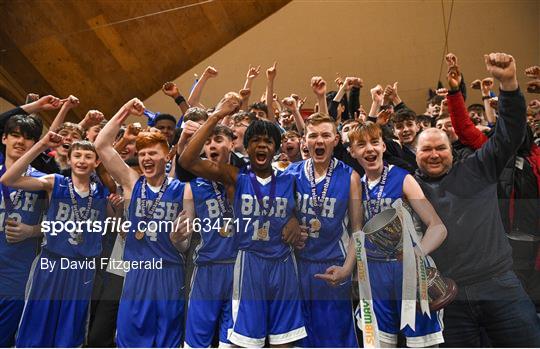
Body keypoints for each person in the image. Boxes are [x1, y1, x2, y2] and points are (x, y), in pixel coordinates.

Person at [415, 52, 540, 346]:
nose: (434, 154)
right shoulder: (409, 188)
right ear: (415, 154)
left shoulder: (478, 167)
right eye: (426, 150)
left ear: (452, 148)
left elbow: (509, 133)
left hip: (499, 285)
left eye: (440, 148)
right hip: (447, 296)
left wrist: (508, 83)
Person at [180, 94, 306, 347]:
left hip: (283, 264)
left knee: (286, 339)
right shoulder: (235, 178)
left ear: (277, 148)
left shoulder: (291, 178)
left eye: (269, 142)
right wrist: (216, 115)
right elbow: (187, 161)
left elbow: (306, 208)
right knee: (246, 341)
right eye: (256, 141)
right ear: (246, 148)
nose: (262, 146)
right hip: (249, 263)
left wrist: (294, 217)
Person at [317, 121, 447, 347]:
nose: (369, 149)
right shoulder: (355, 184)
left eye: (375, 142)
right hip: (373, 276)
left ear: (384, 147)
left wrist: (417, 253)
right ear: (352, 152)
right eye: (361, 144)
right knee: (377, 343)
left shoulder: (403, 178)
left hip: (411, 273)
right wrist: (346, 270)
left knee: (422, 344)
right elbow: (357, 233)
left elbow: (437, 226)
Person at [94, 98, 194, 347]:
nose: (146, 158)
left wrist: (178, 239)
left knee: (166, 340)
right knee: (130, 339)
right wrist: (124, 110)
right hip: (137, 273)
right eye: (142, 154)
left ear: (167, 155)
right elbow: (101, 145)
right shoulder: (131, 182)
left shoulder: (184, 191)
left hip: (169, 273)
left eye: (153, 153)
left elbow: (185, 245)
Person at [1, 135, 110, 347]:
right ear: (69, 160)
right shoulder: (55, 182)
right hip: (51, 264)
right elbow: (8, 180)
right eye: (77, 155)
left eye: (88, 156)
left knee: (70, 331)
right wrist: (41, 145)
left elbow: (114, 219)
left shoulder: (102, 192)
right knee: (36, 326)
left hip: (82, 269)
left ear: (96, 162)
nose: (81, 160)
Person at [285, 114, 362, 347]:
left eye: (326, 135)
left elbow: (357, 229)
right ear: (304, 141)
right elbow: (278, 220)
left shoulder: (350, 176)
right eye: (313, 135)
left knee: (335, 339)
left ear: (336, 140)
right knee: (299, 339)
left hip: (333, 266)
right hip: (296, 267)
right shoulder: (290, 173)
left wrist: (347, 269)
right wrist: (290, 227)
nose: (319, 140)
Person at [184, 125, 238, 348]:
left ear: (232, 144)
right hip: (207, 268)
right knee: (197, 341)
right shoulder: (192, 187)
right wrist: (177, 235)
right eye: (207, 142)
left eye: (218, 139)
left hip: (240, 268)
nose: (212, 145)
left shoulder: (245, 178)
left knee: (233, 341)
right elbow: (184, 234)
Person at [0, 115, 46, 347]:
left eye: (28, 138)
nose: (20, 142)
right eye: (15, 135)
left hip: (16, 277)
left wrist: (32, 230)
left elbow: (64, 224)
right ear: (4, 138)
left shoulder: (43, 182)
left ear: (36, 145)